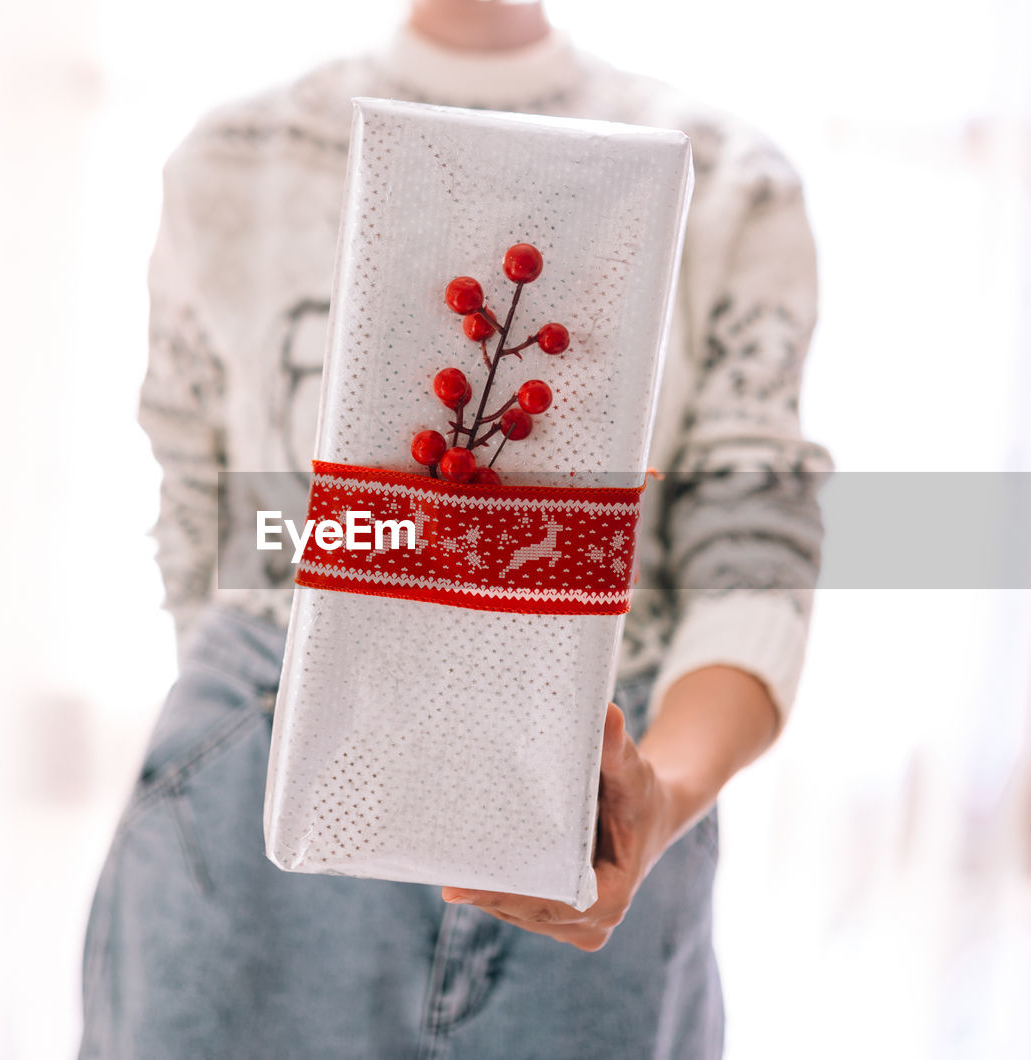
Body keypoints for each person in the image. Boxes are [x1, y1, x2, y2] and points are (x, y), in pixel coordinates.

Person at [78, 1, 832, 1056]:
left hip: (596, 815)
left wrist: (662, 796)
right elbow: (212, 525)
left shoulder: (726, 178)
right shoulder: (230, 160)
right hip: (252, 814)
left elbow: (751, 549)